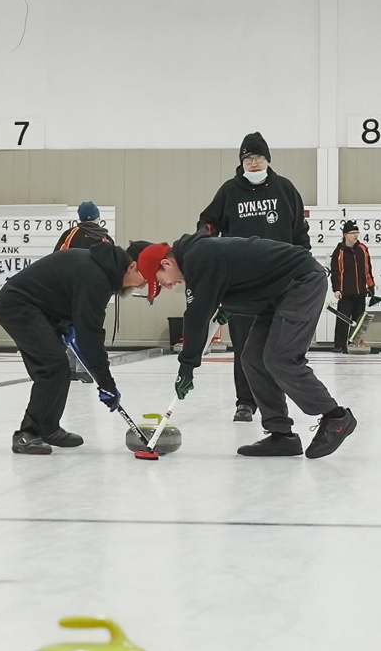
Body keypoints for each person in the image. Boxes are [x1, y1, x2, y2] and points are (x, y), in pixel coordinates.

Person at [139, 232, 356, 457]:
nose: (168, 286)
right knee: (252, 358)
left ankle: (336, 417)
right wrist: (229, 305)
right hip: (276, 291)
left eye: (160, 281)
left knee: (280, 358)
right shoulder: (197, 256)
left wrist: (187, 367)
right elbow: (239, 273)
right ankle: (281, 434)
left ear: (166, 263)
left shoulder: (198, 258)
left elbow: (196, 317)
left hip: (301, 280)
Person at [0, 239, 147, 454]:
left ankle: (48, 428)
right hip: (18, 306)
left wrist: (65, 325)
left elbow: (70, 302)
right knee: (52, 367)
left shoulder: (102, 271)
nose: (143, 285)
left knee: (60, 369)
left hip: (41, 310)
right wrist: (106, 383)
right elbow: (90, 336)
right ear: (131, 267)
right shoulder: (97, 277)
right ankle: (28, 434)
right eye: (144, 278)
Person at [197, 132, 310, 422]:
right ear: (242, 163)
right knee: (245, 347)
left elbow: (300, 233)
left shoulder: (285, 189)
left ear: (268, 159)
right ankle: (245, 402)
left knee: (277, 348)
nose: (254, 163)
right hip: (242, 286)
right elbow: (208, 222)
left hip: (282, 283)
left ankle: (277, 405)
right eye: (248, 158)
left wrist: (303, 264)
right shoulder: (230, 191)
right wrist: (207, 242)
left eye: (258, 157)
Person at [330, 220, 374, 352]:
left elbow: (368, 269)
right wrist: (336, 289)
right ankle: (339, 346)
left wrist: (371, 286)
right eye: (353, 233)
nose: (356, 235)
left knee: (359, 322)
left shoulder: (363, 249)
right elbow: (335, 271)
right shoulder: (339, 252)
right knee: (343, 321)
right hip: (346, 293)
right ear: (345, 235)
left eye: (357, 232)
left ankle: (355, 345)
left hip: (360, 291)